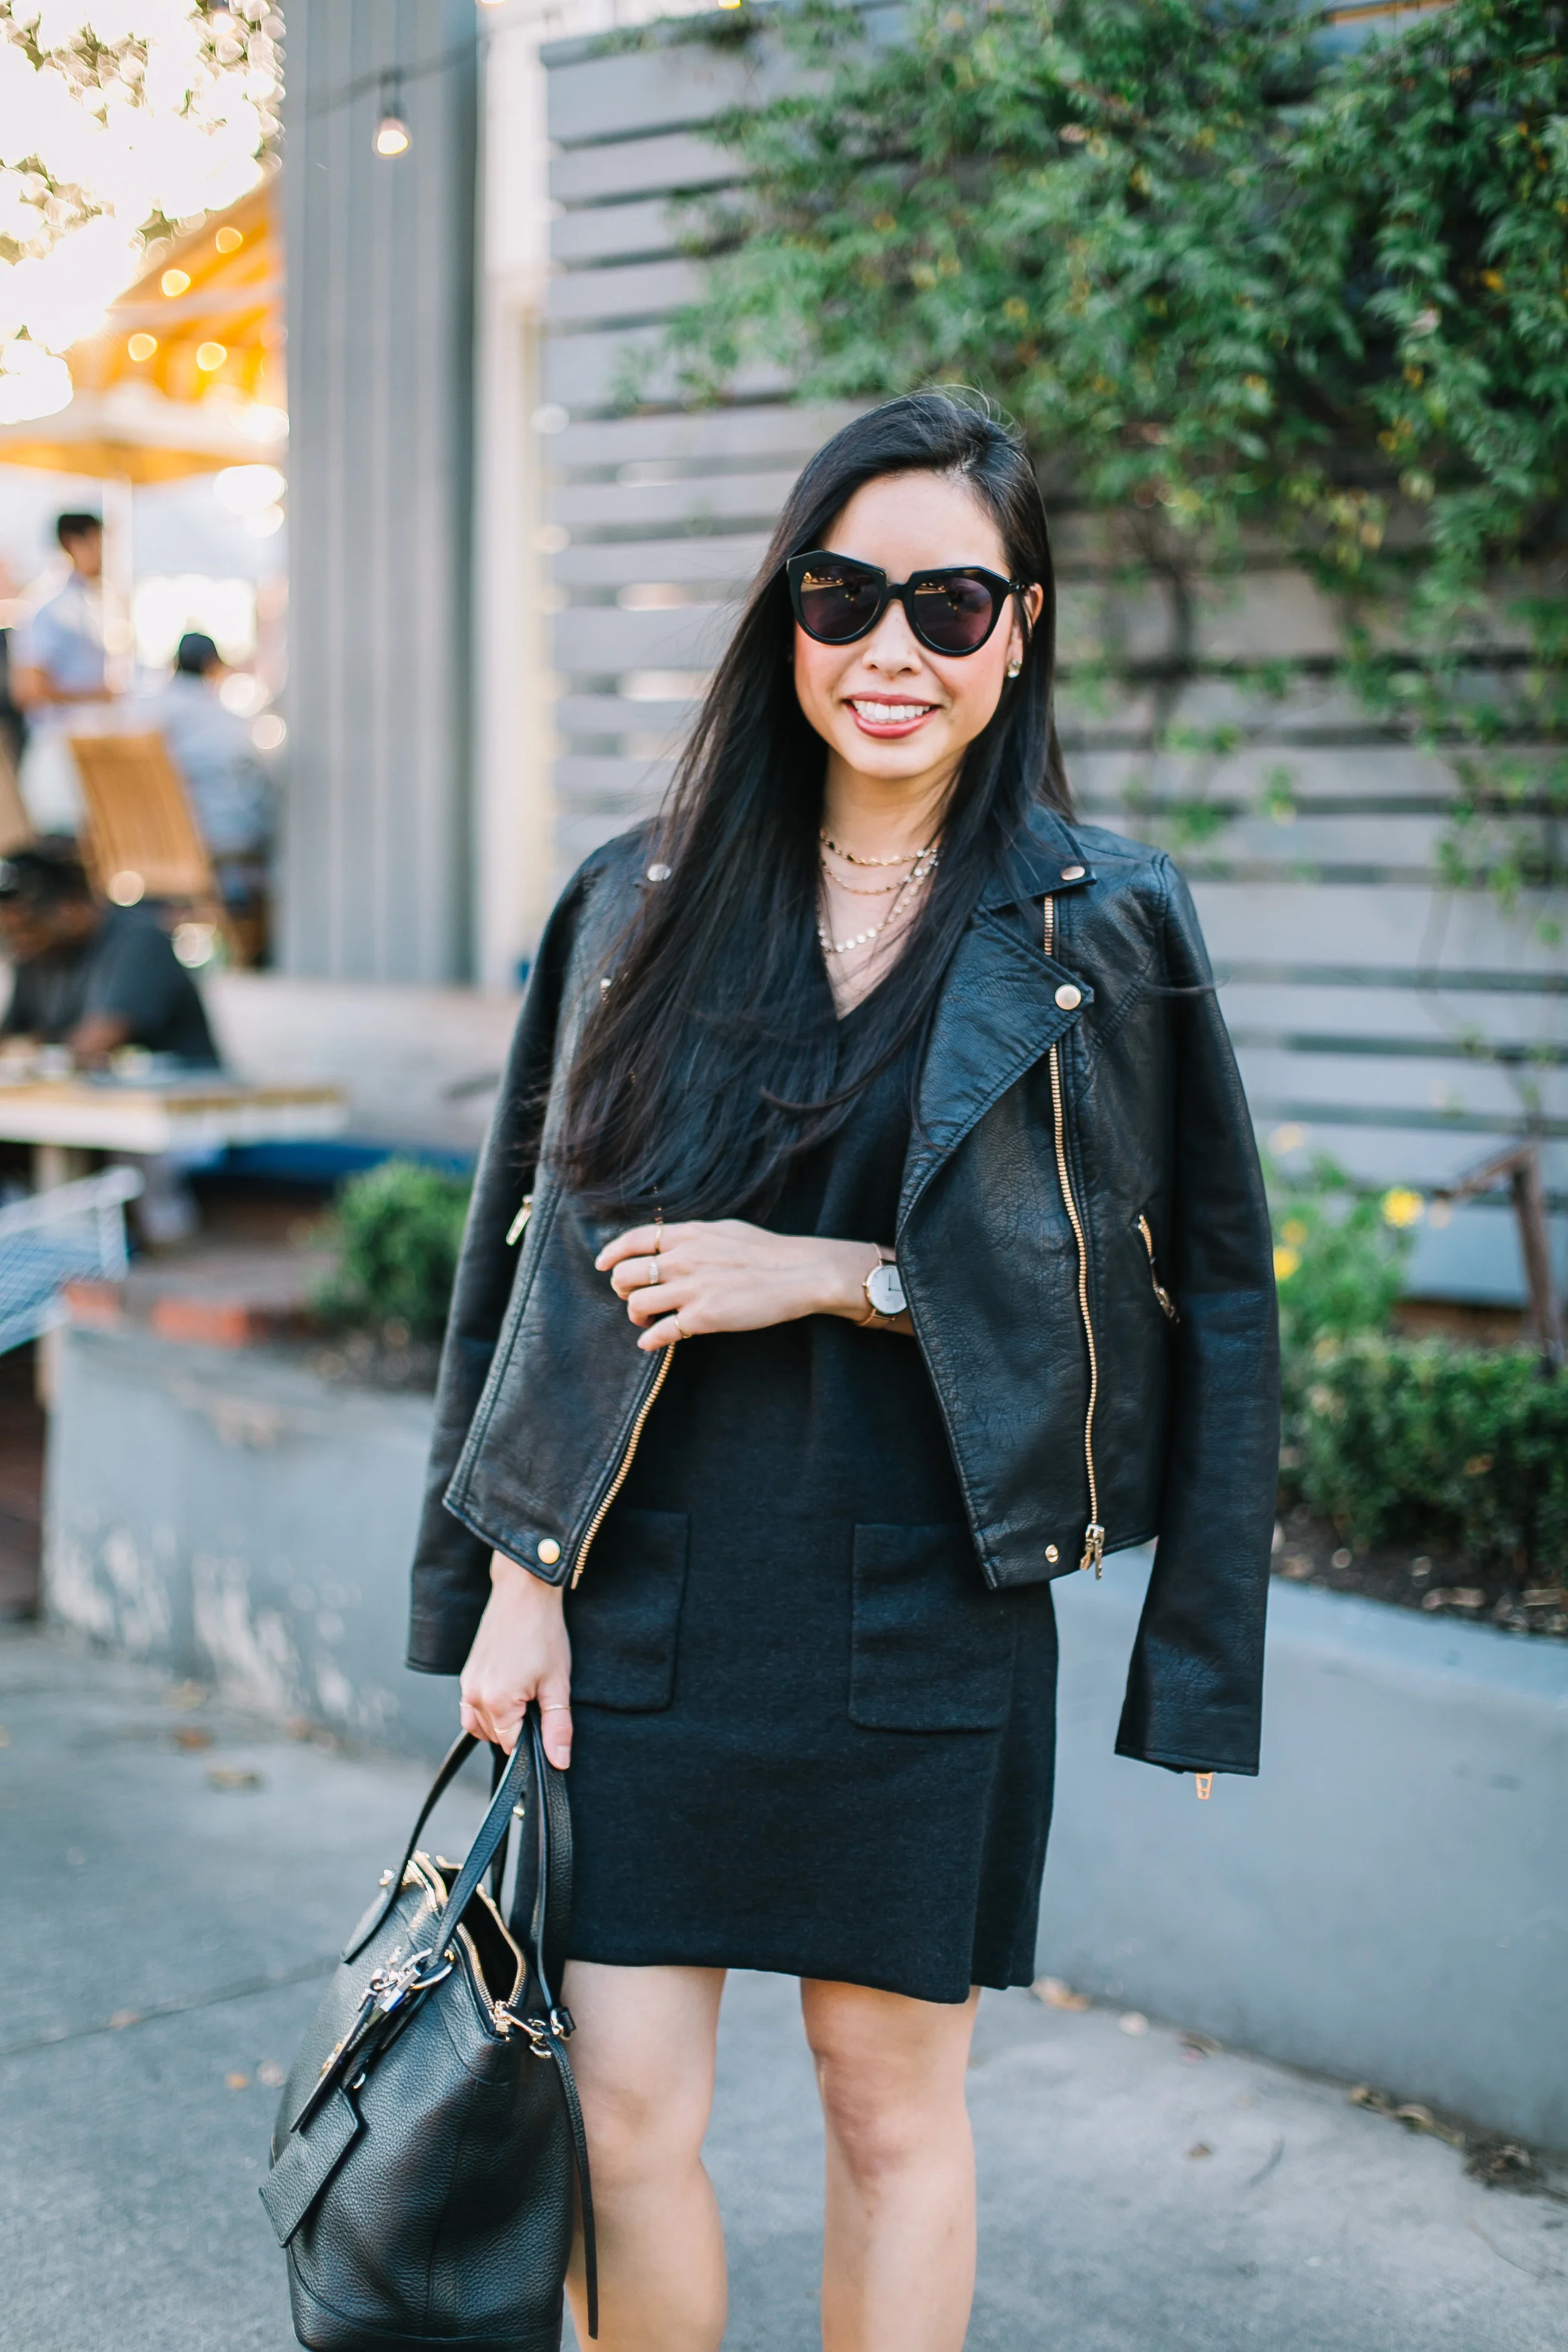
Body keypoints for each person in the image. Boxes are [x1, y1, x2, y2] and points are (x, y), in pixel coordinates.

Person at [408, 393, 1279, 2351]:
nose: (891, 647)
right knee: (617, 2115)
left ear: (1019, 629)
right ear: (785, 614)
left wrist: (835, 1276)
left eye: (947, 603)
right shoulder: (637, 896)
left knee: (889, 2115)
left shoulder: (1098, 922)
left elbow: (1203, 1288)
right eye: (842, 594)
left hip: (925, 1604)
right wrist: (509, 1574)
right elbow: (536, 1260)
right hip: (642, 1600)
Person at [0, 843, 218, 1069]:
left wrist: (31, 1052)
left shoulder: (139, 941)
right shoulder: (37, 954)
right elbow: (11, 1037)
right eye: (7, 932)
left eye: (27, 928)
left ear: (71, 906)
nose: (19, 942)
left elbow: (95, 1045)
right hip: (97, 1089)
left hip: (187, 1087)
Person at [135, 631, 272, 916]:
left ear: (174, 664)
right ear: (213, 667)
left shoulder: (135, 710)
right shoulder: (224, 721)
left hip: (141, 847)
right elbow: (252, 778)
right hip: (206, 845)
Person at [9, 514, 111, 834]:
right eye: (99, 543)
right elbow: (29, 690)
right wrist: (99, 695)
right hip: (60, 759)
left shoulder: (85, 602)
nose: (105, 554)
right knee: (64, 845)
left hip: (84, 754)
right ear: (73, 544)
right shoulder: (49, 607)